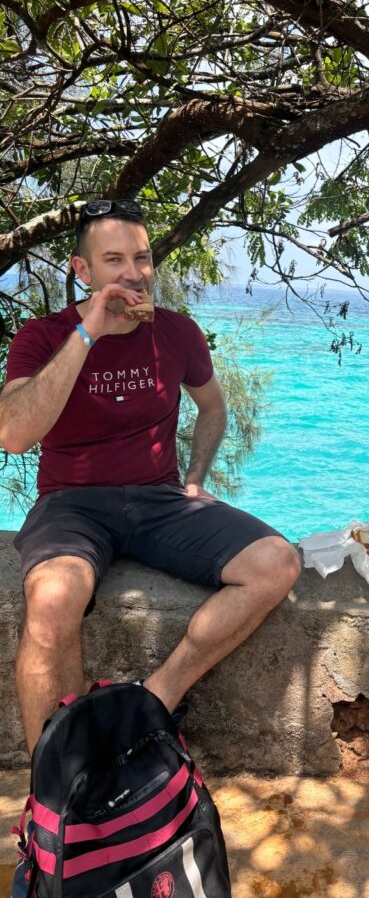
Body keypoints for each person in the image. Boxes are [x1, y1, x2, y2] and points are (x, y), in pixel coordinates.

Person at [0, 199, 301, 755]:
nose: (134, 273)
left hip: (160, 499)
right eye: (114, 260)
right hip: (70, 504)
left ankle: (154, 697)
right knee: (52, 600)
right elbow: (14, 434)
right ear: (83, 270)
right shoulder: (43, 337)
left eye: (141, 258)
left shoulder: (177, 333)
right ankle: (59, 780)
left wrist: (195, 476)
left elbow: (213, 409)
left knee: (277, 562)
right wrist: (88, 331)